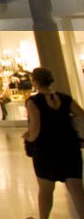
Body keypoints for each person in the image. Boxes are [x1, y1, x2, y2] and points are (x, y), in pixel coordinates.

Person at [24, 67, 84, 219]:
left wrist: (28, 137)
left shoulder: (33, 102)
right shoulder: (65, 98)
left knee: (46, 190)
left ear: (35, 82)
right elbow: (82, 116)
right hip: (70, 147)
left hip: (46, 150)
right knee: (76, 189)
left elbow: (35, 128)